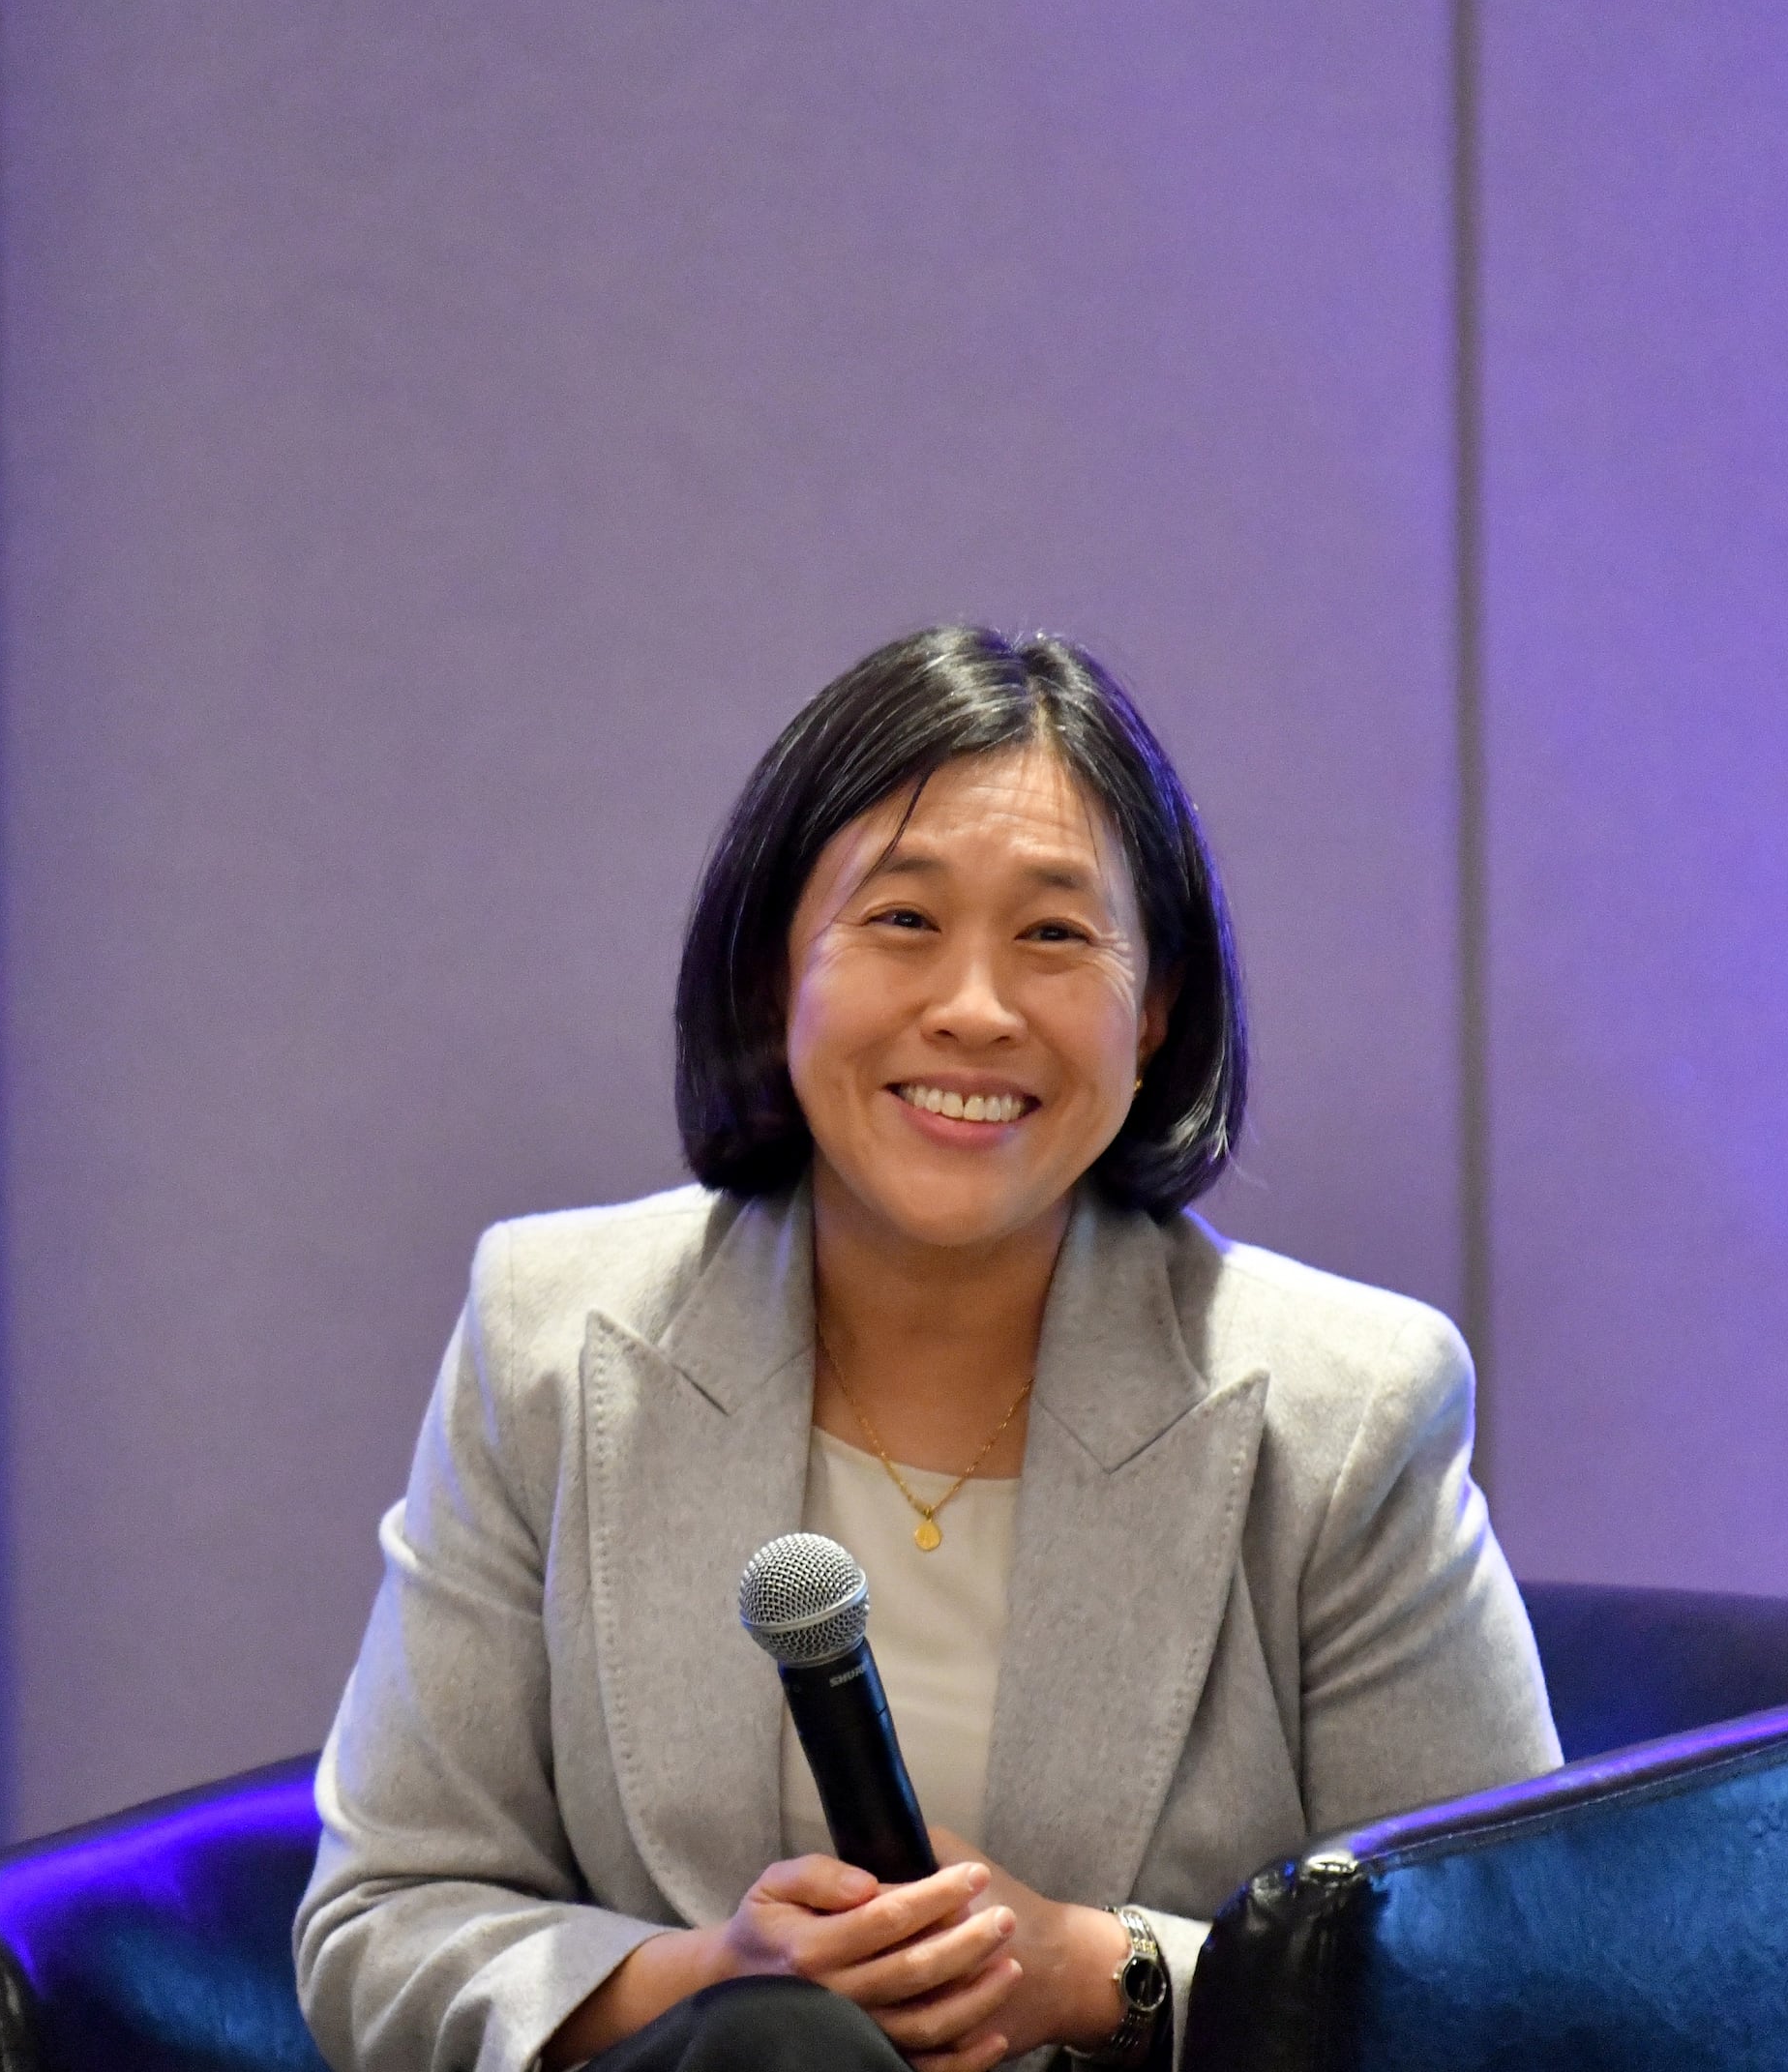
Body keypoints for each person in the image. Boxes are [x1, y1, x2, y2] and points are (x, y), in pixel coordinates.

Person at [294, 627, 1560, 2072]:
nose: (974, 1005)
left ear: (1152, 1017)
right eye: (901, 921)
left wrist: (1103, 1973)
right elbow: (384, 1921)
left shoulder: (1347, 1410)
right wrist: (717, 1984)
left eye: (1054, 934)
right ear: (779, 973)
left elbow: (1499, 1985)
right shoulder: (552, 1334)